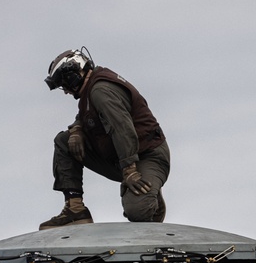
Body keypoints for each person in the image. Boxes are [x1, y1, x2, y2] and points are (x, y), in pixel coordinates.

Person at [41, 46, 170, 229]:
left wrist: (130, 171)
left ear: (74, 75)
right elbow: (87, 115)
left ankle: (152, 202)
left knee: (138, 211)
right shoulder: (90, 90)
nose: (66, 91)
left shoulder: (100, 90)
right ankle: (75, 209)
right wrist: (77, 130)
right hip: (122, 157)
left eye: (65, 84)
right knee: (64, 141)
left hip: (147, 156)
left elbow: (122, 128)